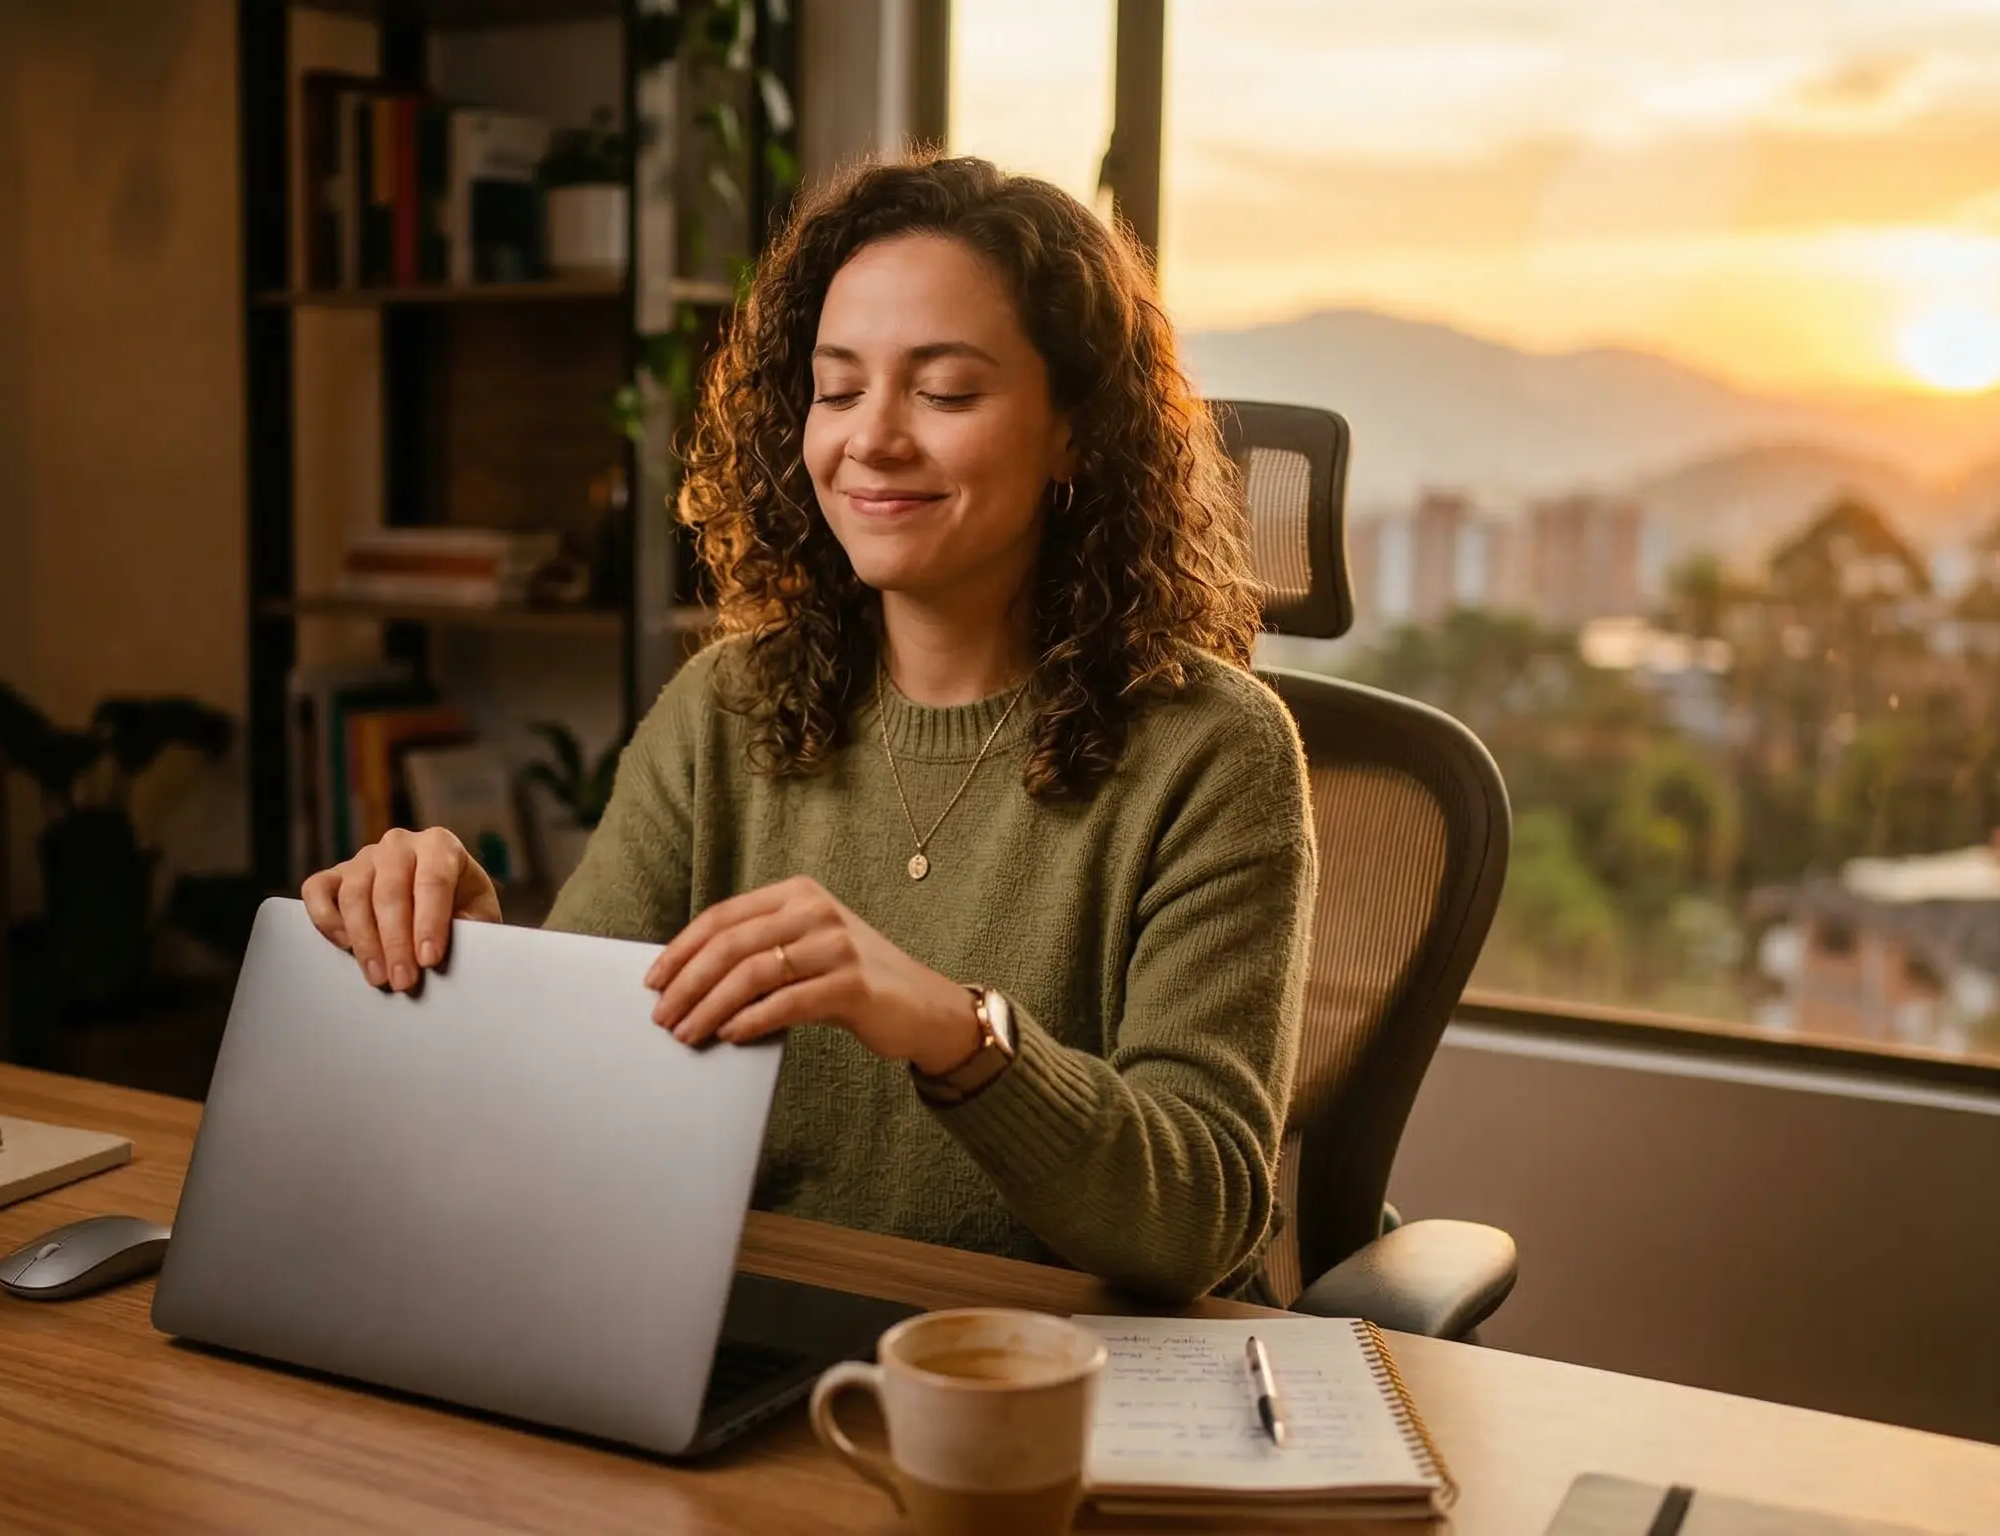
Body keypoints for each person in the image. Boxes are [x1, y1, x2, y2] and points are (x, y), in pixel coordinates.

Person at [302, 153, 1313, 1303]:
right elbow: (565, 1101)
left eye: (943, 392)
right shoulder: (725, 709)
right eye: (837, 390)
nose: (869, 440)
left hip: (1050, 1388)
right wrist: (471, 966)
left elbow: (1200, 1215)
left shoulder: (1217, 753)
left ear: (1074, 433)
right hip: (743, 1339)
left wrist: (951, 1028)